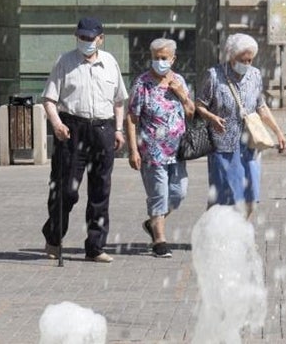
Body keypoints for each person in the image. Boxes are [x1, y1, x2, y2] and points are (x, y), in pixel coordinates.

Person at [41, 17, 128, 263]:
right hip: (72, 128)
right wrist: (57, 124)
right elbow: (49, 99)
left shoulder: (110, 62)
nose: (87, 42)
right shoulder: (64, 62)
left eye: (91, 38)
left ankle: (95, 246)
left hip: (103, 128)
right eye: (83, 38)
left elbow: (119, 100)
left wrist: (119, 130)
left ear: (101, 39)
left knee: (100, 190)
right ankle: (54, 237)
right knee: (66, 190)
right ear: (76, 36)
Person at [195, 33, 286, 220]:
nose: (246, 64)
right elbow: (198, 105)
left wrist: (278, 132)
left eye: (249, 60)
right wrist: (212, 117)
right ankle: (215, 233)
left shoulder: (254, 75)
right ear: (230, 55)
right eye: (242, 60)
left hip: (250, 144)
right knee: (224, 197)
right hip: (223, 146)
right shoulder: (213, 75)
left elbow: (261, 106)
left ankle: (240, 231)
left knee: (251, 195)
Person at [126, 38, 194, 258]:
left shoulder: (179, 80)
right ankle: (159, 241)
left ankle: (153, 222)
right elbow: (132, 118)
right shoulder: (142, 84)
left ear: (173, 59)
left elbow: (191, 112)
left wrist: (182, 94)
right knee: (158, 195)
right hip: (152, 151)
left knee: (178, 193)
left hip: (178, 151)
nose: (159, 62)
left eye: (164, 58)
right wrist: (133, 150)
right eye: (156, 57)